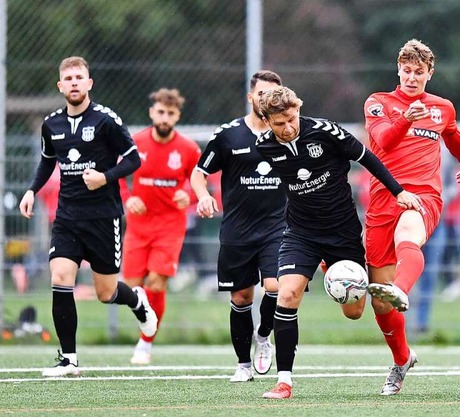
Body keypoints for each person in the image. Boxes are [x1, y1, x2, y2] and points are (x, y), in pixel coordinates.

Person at [254, 86, 423, 399]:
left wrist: (398, 191)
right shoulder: (263, 148)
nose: (288, 127)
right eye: (280, 123)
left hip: (342, 234)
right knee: (287, 294)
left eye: (292, 119)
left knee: (355, 312)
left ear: (298, 111)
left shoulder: (326, 132)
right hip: (301, 233)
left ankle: (329, 267)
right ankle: (284, 381)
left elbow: (367, 157)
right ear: (266, 121)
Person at [18, 56, 157, 377]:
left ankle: (137, 301)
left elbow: (134, 159)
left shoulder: (106, 120)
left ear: (89, 83)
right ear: (60, 86)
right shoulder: (51, 124)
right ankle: (69, 360)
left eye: (80, 77)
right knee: (60, 278)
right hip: (67, 217)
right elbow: (46, 162)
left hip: (103, 217)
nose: (75, 82)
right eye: (68, 78)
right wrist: (31, 191)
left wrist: (105, 177)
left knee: (106, 293)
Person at [363, 39, 460, 396]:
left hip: (424, 196)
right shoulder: (378, 102)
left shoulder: (442, 108)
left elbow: (455, 138)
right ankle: (402, 359)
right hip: (383, 201)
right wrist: (405, 119)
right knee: (379, 304)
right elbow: (382, 140)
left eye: (419, 72)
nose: (412, 78)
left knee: (408, 233)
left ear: (430, 73)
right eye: (407, 71)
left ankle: (401, 288)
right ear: (399, 69)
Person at [190, 70, 286, 383]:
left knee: (275, 287)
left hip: (278, 228)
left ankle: (263, 335)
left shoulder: (287, 132)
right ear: (250, 96)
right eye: (260, 94)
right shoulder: (229, 135)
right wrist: (203, 196)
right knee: (242, 297)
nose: (265, 99)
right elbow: (198, 173)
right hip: (238, 231)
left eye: (272, 94)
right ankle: (243, 364)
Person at [119, 88, 201, 365]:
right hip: (138, 226)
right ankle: (146, 323)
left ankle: (145, 343)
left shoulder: (188, 149)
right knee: (131, 286)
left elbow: (203, 183)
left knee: (156, 282)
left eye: (171, 113)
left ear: (177, 116)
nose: (165, 117)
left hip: (170, 226)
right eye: (161, 112)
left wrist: (188, 195)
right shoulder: (135, 142)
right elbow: (117, 176)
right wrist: (128, 199)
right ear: (152, 113)